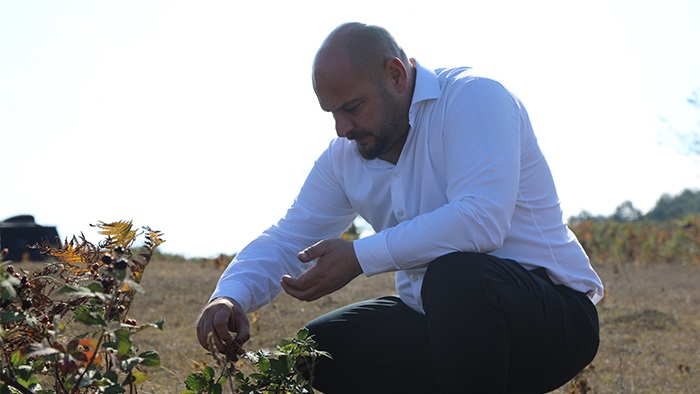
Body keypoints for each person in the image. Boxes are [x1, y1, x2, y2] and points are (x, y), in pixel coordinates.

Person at [197, 22, 604, 393]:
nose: (342, 128)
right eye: (332, 113)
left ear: (396, 75)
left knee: (456, 275)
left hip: (552, 318)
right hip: (440, 325)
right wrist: (230, 296)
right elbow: (288, 238)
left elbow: (481, 220)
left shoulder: (473, 97)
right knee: (317, 351)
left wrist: (358, 256)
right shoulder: (345, 157)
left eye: (352, 107)